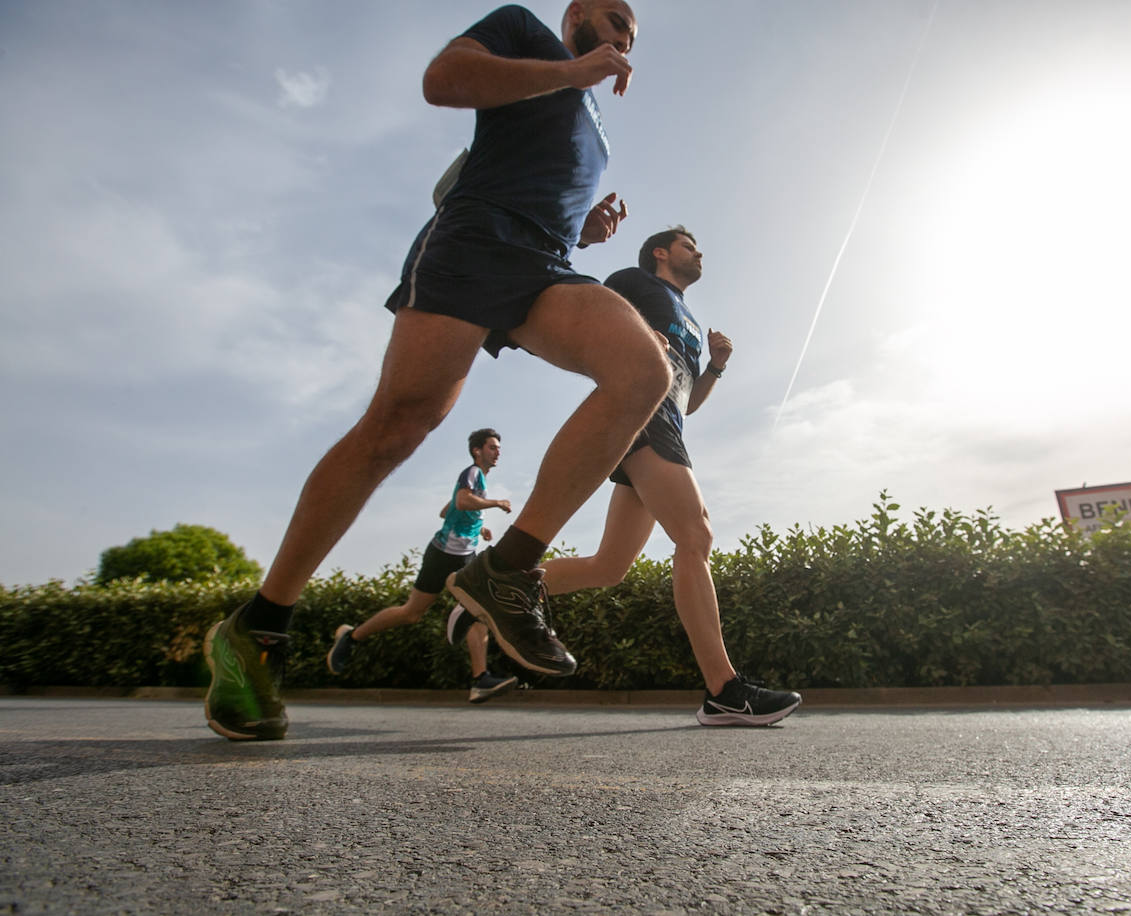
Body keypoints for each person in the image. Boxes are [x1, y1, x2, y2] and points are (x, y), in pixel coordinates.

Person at [204, 0, 671, 741]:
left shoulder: (597, 129)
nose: (623, 36)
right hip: (475, 238)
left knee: (644, 371)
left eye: (632, 34)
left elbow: (541, 180)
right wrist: (572, 71)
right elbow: (443, 80)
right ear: (577, 13)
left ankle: (508, 571)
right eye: (614, 19)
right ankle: (258, 626)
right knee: (399, 427)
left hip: (545, 263)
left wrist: (584, 229)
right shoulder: (524, 32)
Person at [538, 227, 802, 726]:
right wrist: (632, 340)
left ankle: (500, 583)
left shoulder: (690, 320)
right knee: (695, 534)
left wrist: (715, 367)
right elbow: (587, 324)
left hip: (668, 421)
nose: (699, 252)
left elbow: (690, 402)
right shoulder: (633, 282)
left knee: (609, 567)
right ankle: (725, 691)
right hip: (643, 413)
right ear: (660, 252)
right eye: (688, 246)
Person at [324, 428, 519, 704]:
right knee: (412, 613)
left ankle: (480, 680)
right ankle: (351, 637)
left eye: (498, 447)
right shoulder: (473, 472)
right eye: (492, 447)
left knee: (476, 610)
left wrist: (479, 525)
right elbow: (461, 501)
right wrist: (495, 503)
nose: (498, 451)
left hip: (464, 555)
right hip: (444, 554)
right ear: (477, 451)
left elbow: (447, 510)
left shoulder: (480, 480)